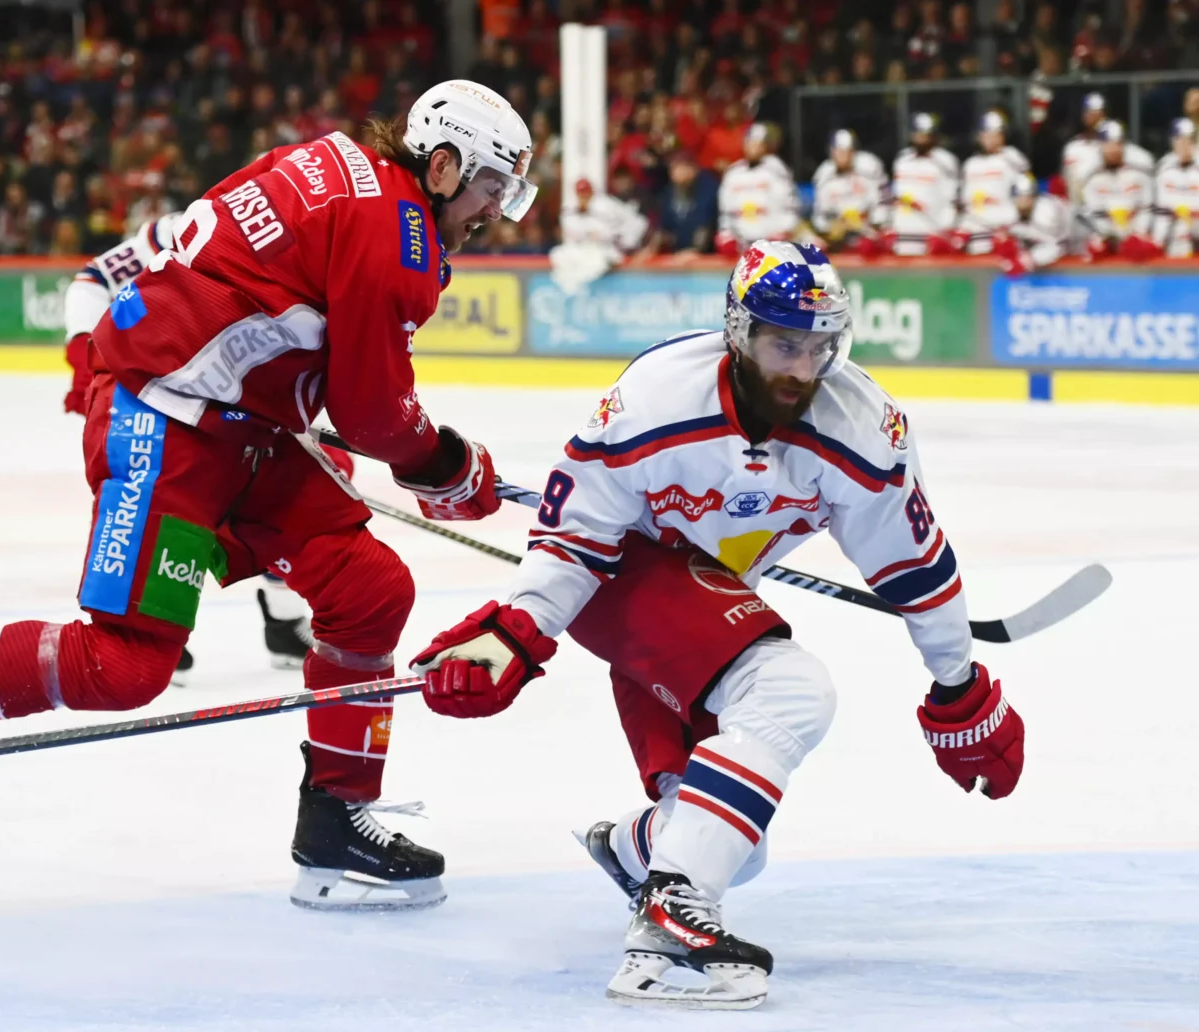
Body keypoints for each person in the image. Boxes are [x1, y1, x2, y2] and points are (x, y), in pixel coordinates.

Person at [0, 80, 537, 914]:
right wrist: (447, 467)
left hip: (234, 424)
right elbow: (372, 413)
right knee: (126, 664)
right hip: (166, 423)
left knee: (370, 591)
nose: (494, 212)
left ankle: (335, 826)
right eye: (491, 188)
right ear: (443, 166)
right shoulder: (396, 231)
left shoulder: (337, 163)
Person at [411, 241, 1025, 1008]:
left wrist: (957, 684)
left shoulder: (863, 428)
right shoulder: (655, 400)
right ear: (739, 332)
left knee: (737, 846)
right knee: (790, 689)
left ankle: (638, 850)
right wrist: (514, 631)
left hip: (705, 603)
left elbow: (914, 564)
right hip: (622, 574)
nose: (803, 369)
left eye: (819, 347)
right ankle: (671, 920)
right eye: (784, 345)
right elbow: (574, 540)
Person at [61, 212, 352, 675]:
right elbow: (93, 280)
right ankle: (150, 620)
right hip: (165, 397)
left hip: (249, 407)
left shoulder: (324, 250)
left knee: (296, 496)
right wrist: (84, 355)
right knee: (174, 502)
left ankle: (281, 619)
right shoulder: (195, 225)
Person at [549, 177, 649, 294]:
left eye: (586, 193)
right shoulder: (570, 209)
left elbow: (638, 223)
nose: (584, 197)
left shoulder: (606, 206)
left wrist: (625, 242)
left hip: (608, 250)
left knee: (597, 262)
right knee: (559, 255)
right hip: (584, 250)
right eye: (581, 193)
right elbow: (573, 232)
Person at [1081, 120, 1163, 261]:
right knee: (1095, 250)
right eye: (1108, 144)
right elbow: (1094, 213)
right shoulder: (1091, 176)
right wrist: (1110, 236)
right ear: (1100, 145)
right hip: (1106, 235)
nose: (1113, 149)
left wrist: (1138, 233)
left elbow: (1147, 208)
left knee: (1141, 249)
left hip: (1136, 233)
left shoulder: (1140, 171)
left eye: (1118, 144)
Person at [714, 123, 799, 256]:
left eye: (757, 143)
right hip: (740, 240)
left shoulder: (777, 170)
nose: (753, 147)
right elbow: (725, 212)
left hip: (770, 237)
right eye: (750, 142)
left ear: (766, 146)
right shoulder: (733, 173)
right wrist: (728, 234)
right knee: (724, 244)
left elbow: (789, 207)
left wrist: (783, 231)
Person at [953, 111, 1031, 255]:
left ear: (1003, 136)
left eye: (996, 134)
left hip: (1004, 230)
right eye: (986, 134)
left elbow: (1026, 190)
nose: (991, 139)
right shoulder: (971, 163)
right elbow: (962, 199)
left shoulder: (1012, 157)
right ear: (979, 136)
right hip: (975, 233)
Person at [886, 112, 960, 256]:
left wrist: (946, 228)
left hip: (931, 233)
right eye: (918, 133)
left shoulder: (946, 160)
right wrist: (890, 225)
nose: (921, 138)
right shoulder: (902, 159)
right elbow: (895, 195)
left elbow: (953, 199)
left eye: (926, 134)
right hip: (903, 232)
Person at [1061, 92, 1152, 200]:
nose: (1094, 118)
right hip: (1080, 202)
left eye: (1099, 114)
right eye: (1090, 113)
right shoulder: (1073, 148)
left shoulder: (1135, 153)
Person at [809, 129, 886, 256]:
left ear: (853, 152)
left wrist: (872, 223)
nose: (842, 156)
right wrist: (831, 227)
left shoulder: (869, 169)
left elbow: (882, 203)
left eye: (846, 151)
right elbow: (819, 214)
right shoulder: (824, 174)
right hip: (837, 236)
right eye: (837, 151)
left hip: (866, 232)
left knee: (871, 246)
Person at [994, 175, 1071, 273]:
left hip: (1074, 235)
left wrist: (1027, 259)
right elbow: (1006, 234)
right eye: (1018, 196)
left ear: (1034, 196)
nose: (1022, 200)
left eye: (1027, 196)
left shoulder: (1046, 211)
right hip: (1052, 240)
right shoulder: (1011, 209)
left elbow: (1057, 246)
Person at [1154, 118, 1199, 258]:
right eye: (1180, 140)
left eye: (1189, 140)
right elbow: (1161, 211)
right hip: (1173, 239)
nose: (1184, 145)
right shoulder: (1164, 167)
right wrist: (1157, 242)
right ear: (1173, 142)